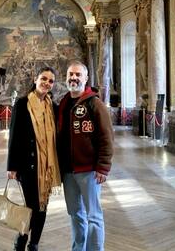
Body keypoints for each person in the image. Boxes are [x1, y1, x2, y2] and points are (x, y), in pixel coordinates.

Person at [58, 60, 113, 251]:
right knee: (75, 214)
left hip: (89, 170)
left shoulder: (95, 103)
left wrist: (103, 166)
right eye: (70, 74)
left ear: (86, 78)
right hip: (68, 171)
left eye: (78, 74)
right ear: (66, 77)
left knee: (94, 216)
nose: (74, 78)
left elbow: (106, 136)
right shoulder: (64, 103)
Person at [7, 67, 61, 251]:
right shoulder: (22, 104)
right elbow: (13, 136)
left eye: (50, 81)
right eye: (43, 78)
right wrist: (12, 166)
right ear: (35, 79)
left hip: (47, 167)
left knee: (43, 206)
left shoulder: (53, 107)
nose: (46, 83)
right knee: (32, 206)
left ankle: (34, 243)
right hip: (26, 165)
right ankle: (21, 239)